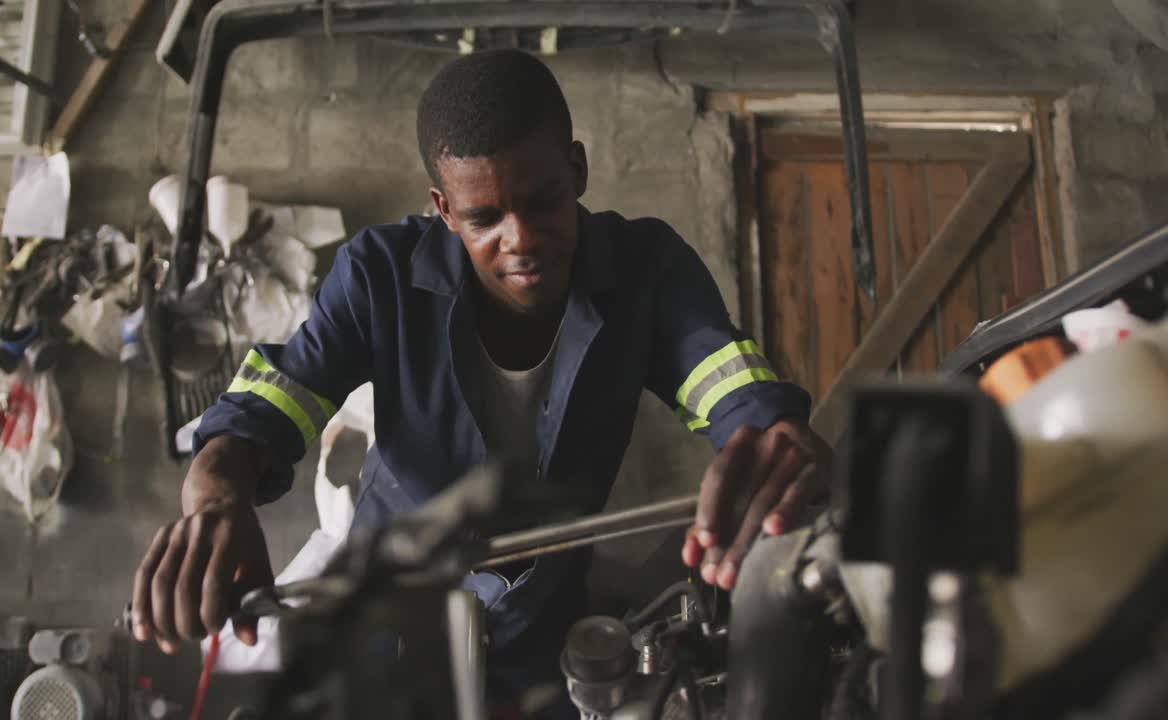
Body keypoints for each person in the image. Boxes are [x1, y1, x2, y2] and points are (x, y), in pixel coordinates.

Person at [131, 48, 830, 713]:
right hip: (387, 599)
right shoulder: (379, 276)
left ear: (578, 168)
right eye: (484, 217)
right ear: (442, 209)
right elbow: (277, 398)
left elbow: (732, 387)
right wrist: (217, 492)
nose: (519, 238)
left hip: (543, 617)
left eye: (543, 199)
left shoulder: (648, 271)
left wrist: (773, 440)